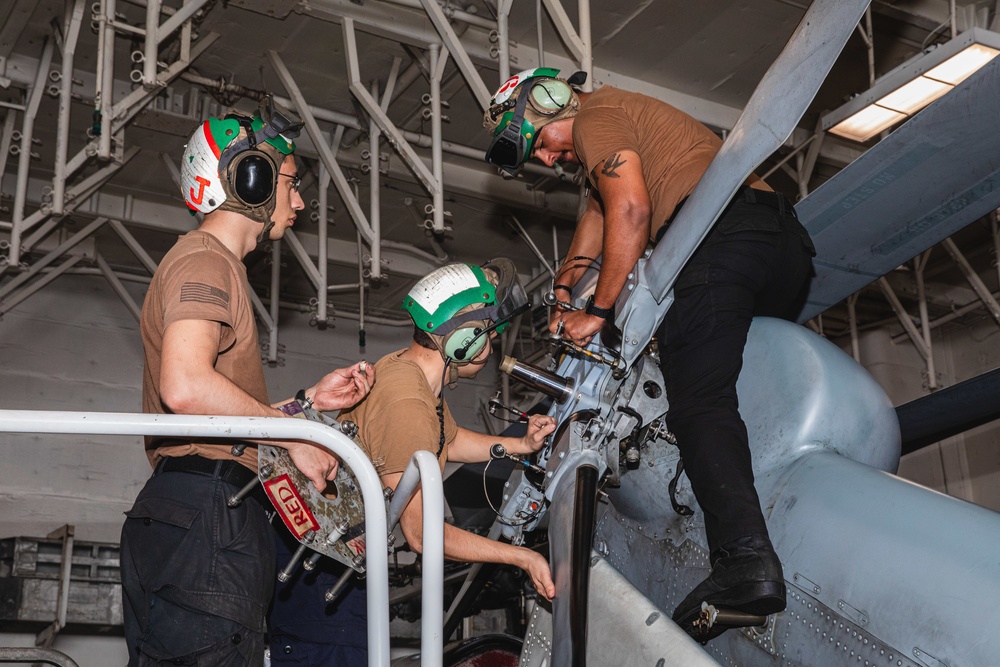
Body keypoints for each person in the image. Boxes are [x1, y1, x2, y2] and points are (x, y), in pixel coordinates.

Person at [483, 68, 816, 640]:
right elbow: (597, 218)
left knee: (699, 404)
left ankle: (744, 560)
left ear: (548, 103)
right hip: (783, 246)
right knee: (727, 387)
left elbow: (632, 211)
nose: (544, 161)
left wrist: (600, 312)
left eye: (536, 142)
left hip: (722, 239)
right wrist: (564, 296)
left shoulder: (593, 116)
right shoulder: (614, 123)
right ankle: (754, 516)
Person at [120, 95, 374, 666]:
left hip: (194, 514)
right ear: (251, 180)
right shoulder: (205, 260)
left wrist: (306, 403)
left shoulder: (210, 264)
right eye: (290, 182)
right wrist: (294, 439)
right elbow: (184, 386)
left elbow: (212, 406)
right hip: (207, 514)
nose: (300, 201)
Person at [268, 259, 557, 664]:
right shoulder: (408, 399)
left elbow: (447, 439)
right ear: (465, 340)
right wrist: (522, 556)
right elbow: (422, 534)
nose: (491, 350)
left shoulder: (406, 374)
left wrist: (520, 446)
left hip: (327, 563)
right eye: (490, 336)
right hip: (324, 572)